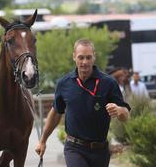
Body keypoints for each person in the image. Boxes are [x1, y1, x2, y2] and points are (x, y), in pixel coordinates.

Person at [35, 39, 131, 167]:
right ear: (74, 57)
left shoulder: (108, 83)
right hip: (74, 148)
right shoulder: (64, 84)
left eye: (88, 57)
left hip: (100, 150)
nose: (84, 62)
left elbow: (126, 115)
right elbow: (56, 113)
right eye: (81, 57)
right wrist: (42, 141)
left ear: (94, 57)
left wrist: (119, 111)